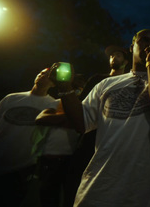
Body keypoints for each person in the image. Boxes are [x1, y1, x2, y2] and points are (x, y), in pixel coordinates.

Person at [41, 29, 150, 207]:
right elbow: (81, 122)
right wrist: (65, 88)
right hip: (100, 188)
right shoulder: (106, 84)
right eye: (144, 40)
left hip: (148, 193)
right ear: (132, 47)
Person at [0, 68, 59, 207]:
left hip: (19, 169)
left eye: (47, 75)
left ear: (54, 83)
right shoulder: (12, 98)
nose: (41, 75)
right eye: (41, 72)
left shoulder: (53, 106)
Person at [63, 45, 130, 206]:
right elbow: (80, 109)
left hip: (114, 143)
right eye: (111, 55)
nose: (114, 57)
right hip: (88, 140)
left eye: (118, 55)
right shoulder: (97, 80)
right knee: (77, 184)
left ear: (126, 61)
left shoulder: (130, 83)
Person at [35, 74, 85, 207]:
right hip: (50, 157)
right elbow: (41, 119)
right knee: (47, 196)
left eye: (79, 90)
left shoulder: (83, 106)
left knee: (71, 198)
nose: (76, 92)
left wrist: (57, 119)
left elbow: (83, 125)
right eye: (74, 88)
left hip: (73, 159)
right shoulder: (55, 102)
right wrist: (72, 118)